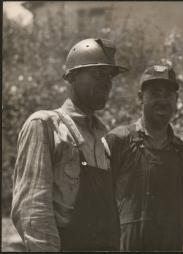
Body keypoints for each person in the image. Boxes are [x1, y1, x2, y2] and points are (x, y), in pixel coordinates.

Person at [11, 38, 127, 251]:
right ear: (72, 76)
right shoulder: (45, 126)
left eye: (110, 75)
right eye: (98, 73)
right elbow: (33, 212)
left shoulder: (103, 141)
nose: (106, 82)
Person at [102, 64, 183, 251]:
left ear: (176, 100)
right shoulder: (118, 141)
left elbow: (182, 201)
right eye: (154, 93)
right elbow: (100, 202)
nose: (162, 100)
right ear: (140, 98)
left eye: (168, 94)